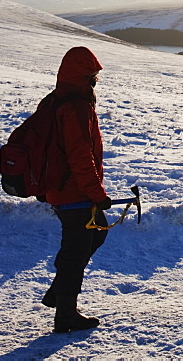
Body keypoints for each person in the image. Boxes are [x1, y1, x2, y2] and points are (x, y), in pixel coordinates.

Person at [41, 46, 113, 333]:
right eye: (93, 74)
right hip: (74, 193)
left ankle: (59, 295)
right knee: (76, 251)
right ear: (85, 76)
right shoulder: (76, 107)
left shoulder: (56, 100)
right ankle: (65, 315)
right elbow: (81, 157)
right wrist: (97, 195)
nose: (96, 79)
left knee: (95, 236)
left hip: (61, 189)